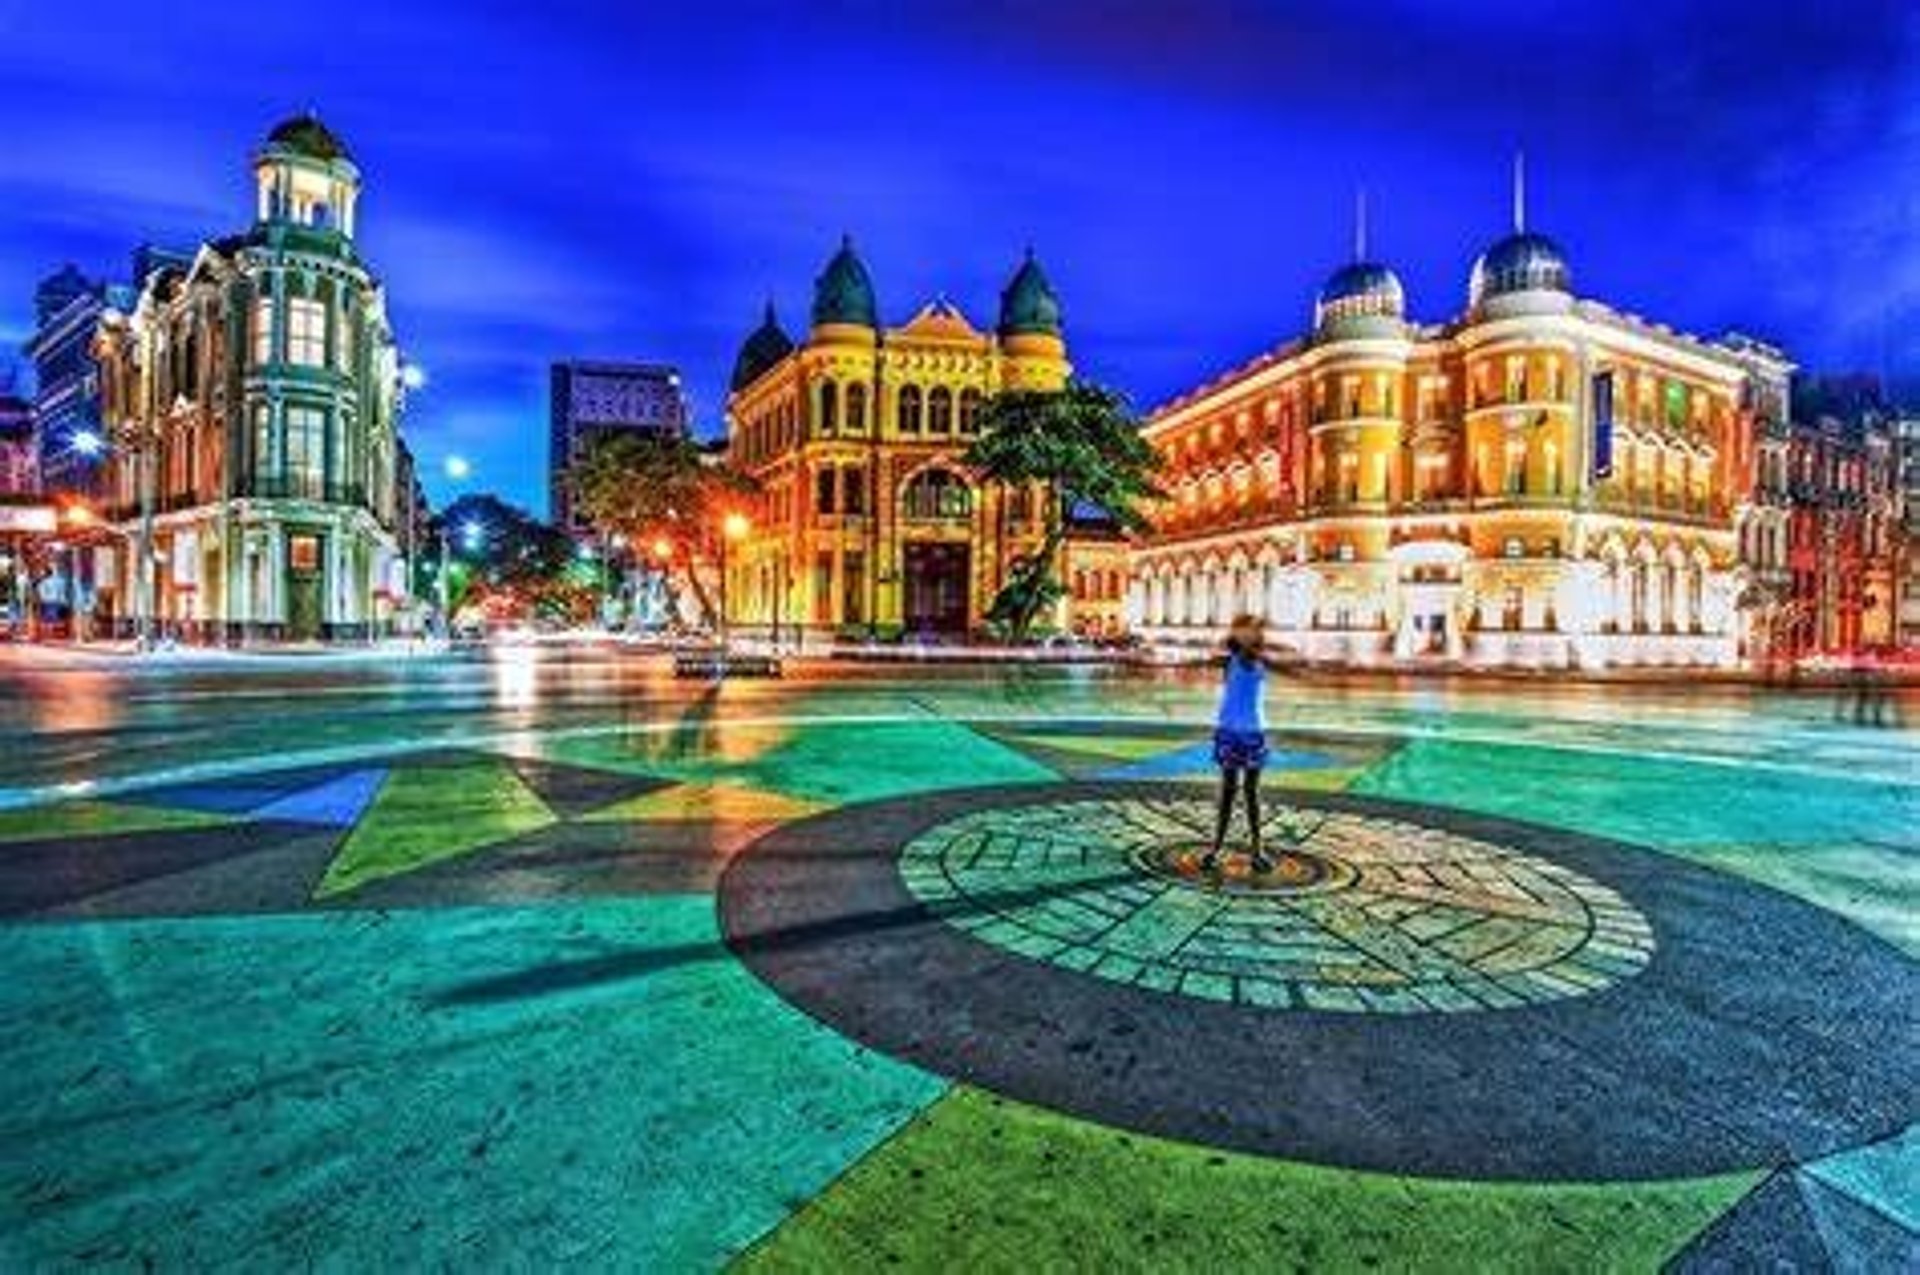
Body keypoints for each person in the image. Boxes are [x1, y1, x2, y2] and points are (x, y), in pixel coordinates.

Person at [1203, 614, 1281, 874]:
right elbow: (1202, 660)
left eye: (1254, 634)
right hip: (1230, 732)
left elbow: (1293, 668)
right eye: (1246, 633)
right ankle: (1216, 847)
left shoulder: (1262, 662)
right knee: (1227, 792)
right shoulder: (1229, 662)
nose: (1251, 637)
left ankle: (1257, 849)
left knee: (1251, 794)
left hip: (1254, 733)